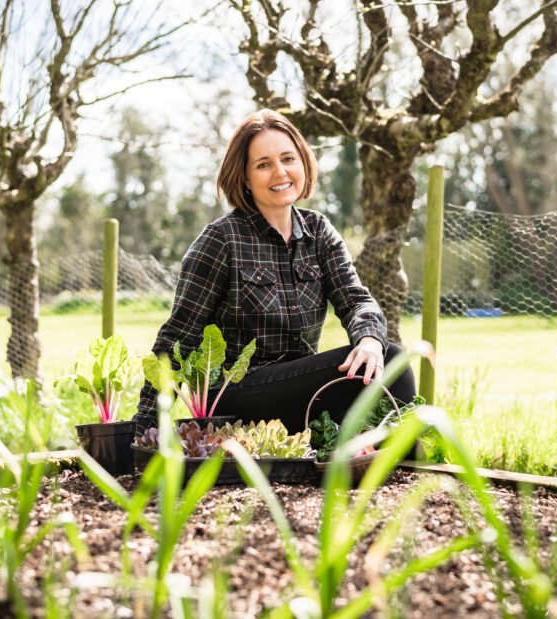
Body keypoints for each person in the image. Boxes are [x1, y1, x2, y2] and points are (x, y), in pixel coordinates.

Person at [133, 109, 416, 434]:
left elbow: (355, 301)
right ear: (244, 177)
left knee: (384, 360)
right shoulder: (222, 239)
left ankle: (384, 465)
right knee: (393, 360)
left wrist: (368, 338)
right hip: (235, 393)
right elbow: (178, 337)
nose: (280, 172)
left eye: (288, 159)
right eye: (263, 164)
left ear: (303, 163)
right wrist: (144, 427)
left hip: (298, 390)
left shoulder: (318, 231)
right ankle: (394, 469)